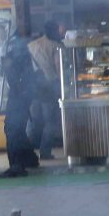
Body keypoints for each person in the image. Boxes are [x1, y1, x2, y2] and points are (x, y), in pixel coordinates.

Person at [0, 33, 40, 178]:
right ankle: (29, 159)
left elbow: (16, 79)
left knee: (13, 128)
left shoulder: (15, 56)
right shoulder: (23, 54)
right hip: (22, 95)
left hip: (19, 95)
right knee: (16, 128)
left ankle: (17, 165)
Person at [28, 21, 65, 160]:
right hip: (49, 88)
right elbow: (58, 67)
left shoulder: (31, 45)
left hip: (32, 88)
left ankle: (28, 151)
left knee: (33, 121)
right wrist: (63, 84)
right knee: (50, 121)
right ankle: (45, 152)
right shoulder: (56, 46)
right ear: (54, 31)